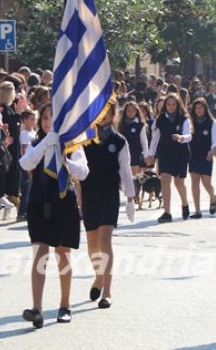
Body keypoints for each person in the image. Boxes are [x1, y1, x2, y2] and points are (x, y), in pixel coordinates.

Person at [19, 104, 88, 328]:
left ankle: (65, 305)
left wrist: (65, 160)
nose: (48, 122)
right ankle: (37, 308)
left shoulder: (72, 143)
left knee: (63, 255)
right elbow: (26, 163)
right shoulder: (36, 141)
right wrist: (45, 145)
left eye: (53, 118)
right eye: (45, 118)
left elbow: (83, 172)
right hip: (39, 202)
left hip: (63, 201)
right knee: (40, 255)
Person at [80, 102, 135, 308]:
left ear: (113, 114)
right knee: (92, 244)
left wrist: (130, 198)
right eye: (99, 112)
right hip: (89, 194)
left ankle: (108, 292)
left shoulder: (118, 141)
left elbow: (125, 171)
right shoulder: (84, 138)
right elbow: (77, 167)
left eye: (107, 112)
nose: (103, 116)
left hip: (109, 194)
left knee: (105, 242)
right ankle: (99, 277)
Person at [145, 93, 192, 223]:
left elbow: (189, 135)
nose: (171, 107)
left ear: (178, 105)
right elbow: (155, 138)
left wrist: (182, 138)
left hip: (180, 154)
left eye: (173, 104)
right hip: (165, 153)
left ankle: (184, 203)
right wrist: (151, 154)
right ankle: (167, 212)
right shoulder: (159, 120)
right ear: (165, 105)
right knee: (165, 180)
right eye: (168, 104)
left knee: (179, 183)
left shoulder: (184, 119)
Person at [187, 98, 216, 217]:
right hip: (193, 155)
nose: (198, 110)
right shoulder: (190, 122)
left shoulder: (212, 122)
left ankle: (212, 196)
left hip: (206, 155)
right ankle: (197, 210)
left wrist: (213, 151)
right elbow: (186, 137)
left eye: (201, 107)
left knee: (206, 183)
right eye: (196, 108)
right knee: (194, 181)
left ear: (205, 108)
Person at [118, 101, 148, 210]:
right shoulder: (120, 124)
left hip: (135, 153)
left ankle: (134, 199)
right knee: (124, 176)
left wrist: (146, 154)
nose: (130, 113)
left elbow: (144, 141)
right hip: (122, 153)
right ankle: (129, 195)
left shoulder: (140, 125)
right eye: (128, 111)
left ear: (136, 112)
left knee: (133, 177)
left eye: (133, 111)